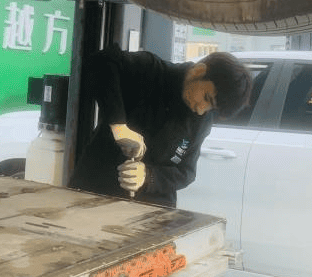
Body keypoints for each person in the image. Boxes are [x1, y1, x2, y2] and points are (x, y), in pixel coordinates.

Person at [69, 45, 252, 208]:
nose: (201, 110)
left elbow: (186, 172)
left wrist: (148, 176)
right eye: (206, 97)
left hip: (153, 210)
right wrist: (118, 126)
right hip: (95, 189)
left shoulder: (202, 121)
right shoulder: (151, 70)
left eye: (211, 108)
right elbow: (102, 61)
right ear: (199, 71)